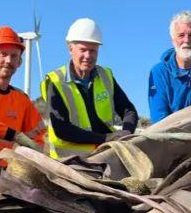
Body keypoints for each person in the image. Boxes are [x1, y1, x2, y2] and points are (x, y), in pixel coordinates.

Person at [40, 18, 138, 159]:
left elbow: (128, 110)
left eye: (93, 50)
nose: (88, 56)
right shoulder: (56, 82)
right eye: (83, 50)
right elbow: (61, 129)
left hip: (104, 155)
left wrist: (127, 133)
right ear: (70, 49)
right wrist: (105, 138)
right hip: (69, 161)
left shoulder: (106, 76)